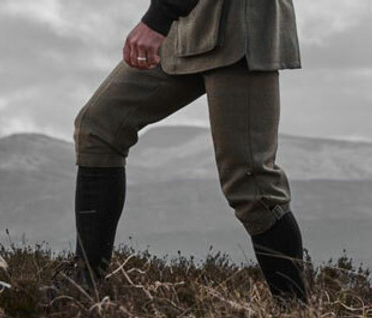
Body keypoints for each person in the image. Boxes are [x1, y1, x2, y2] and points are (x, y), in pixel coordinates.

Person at [68, 0, 307, 302]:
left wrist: (159, 16)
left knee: (252, 185)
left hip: (240, 25)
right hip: (187, 23)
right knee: (99, 127)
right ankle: (80, 290)